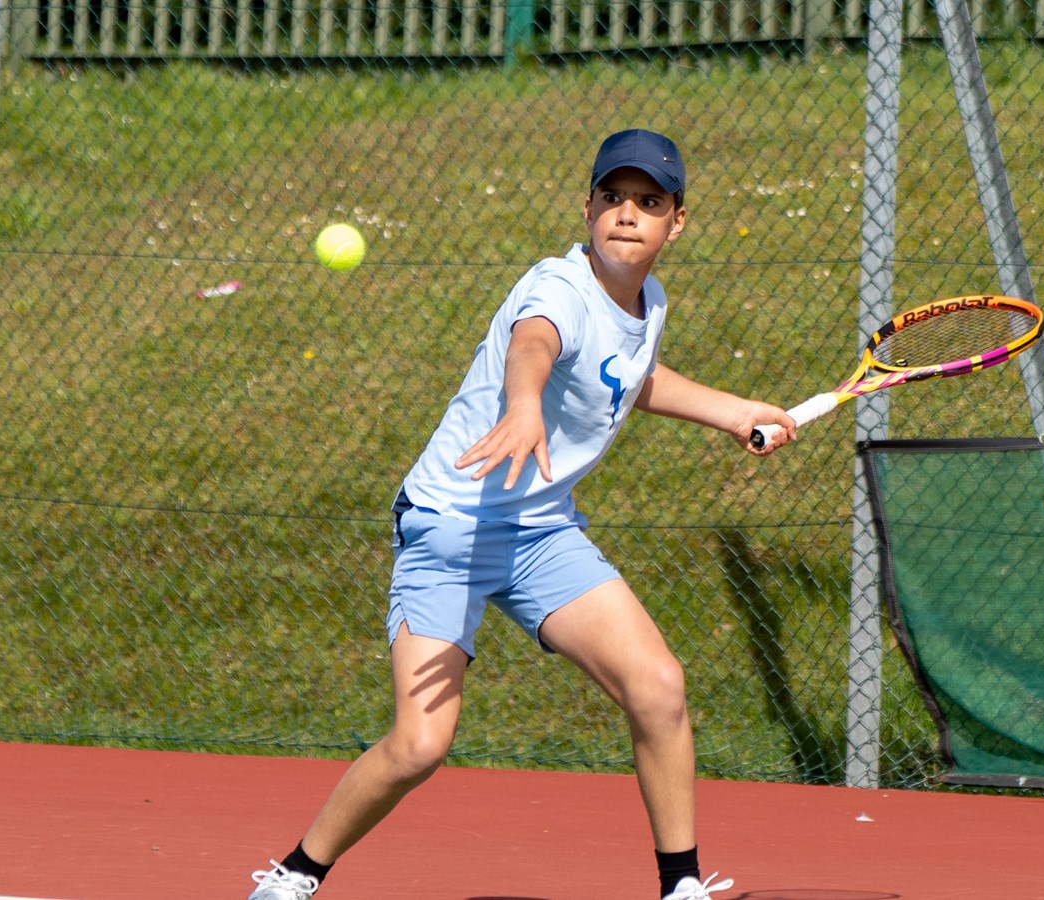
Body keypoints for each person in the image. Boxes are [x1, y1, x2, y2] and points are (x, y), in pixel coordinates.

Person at [245, 128, 796, 900]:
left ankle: (682, 889)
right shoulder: (557, 287)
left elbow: (627, 376)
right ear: (586, 209)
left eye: (649, 202)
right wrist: (525, 405)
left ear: (678, 223)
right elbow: (535, 344)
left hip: (538, 531)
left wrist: (733, 411)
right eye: (612, 197)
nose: (627, 214)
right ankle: (293, 876)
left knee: (659, 686)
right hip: (448, 526)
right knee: (420, 744)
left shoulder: (648, 302)